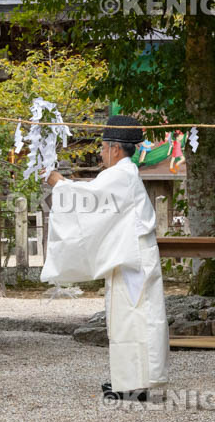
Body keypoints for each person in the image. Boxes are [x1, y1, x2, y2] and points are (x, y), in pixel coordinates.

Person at [42, 115, 170, 399]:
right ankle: (130, 381)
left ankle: (134, 384)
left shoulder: (120, 175)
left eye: (102, 147)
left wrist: (60, 184)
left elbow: (89, 199)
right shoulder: (123, 174)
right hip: (130, 255)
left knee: (132, 318)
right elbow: (96, 199)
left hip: (132, 258)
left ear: (114, 148)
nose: (100, 153)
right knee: (129, 317)